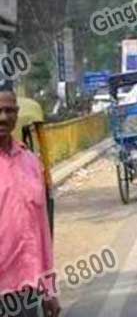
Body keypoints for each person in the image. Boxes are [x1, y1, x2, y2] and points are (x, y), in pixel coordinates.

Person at [0, 83, 61, 317]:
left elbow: (42, 232)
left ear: (17, 114)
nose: (3, 117)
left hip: (26, 289)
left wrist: (49, 290)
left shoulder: (31, 163)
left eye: (9, 110)